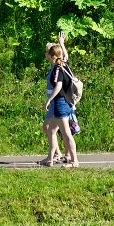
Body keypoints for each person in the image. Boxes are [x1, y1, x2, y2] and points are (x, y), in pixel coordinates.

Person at [38, 32, 79, 167]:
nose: (46, 55)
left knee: (66, 133)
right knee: (51, 130)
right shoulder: (63, 64)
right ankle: (51, 159)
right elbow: (65, 55)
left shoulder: (57, 68)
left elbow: (59, 85)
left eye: (48, 53)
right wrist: (61, 42)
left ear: (52, 56)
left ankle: (74, 161)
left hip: (60, 102)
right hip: (64, 102)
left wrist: (49, 99)